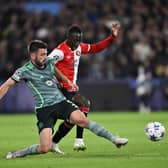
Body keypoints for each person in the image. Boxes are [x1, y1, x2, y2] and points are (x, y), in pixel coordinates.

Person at [0, 40, 128, 159]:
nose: (45, 57)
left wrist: (66, 81)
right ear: (33, 56)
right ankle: (19, 153)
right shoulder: (24, 71)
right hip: (44, 109)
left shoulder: (49, 62)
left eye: (46, 53)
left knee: (82, 120)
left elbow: (56, 71)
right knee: (45, 148)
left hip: (60, 102)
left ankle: (114, 139)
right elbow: (7, 85)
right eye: (42, 55)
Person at [48, 22, 120, 153]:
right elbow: (47, 64)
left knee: (73, 118)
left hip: (70, 89)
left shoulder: (79, 48)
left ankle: (54, 142)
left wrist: (112, 37)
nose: (77, 43)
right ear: (68, 38)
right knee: (84, 104)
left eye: (79, 40)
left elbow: (96, 48)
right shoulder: (60, 51)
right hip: (59, 90)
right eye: (75, 40)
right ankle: (78, 140)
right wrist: (60, 80)